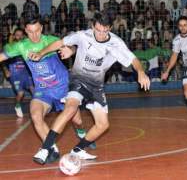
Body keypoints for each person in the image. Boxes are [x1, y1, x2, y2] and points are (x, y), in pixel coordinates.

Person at [30, 12, 150, 164]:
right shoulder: (83, 35)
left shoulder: (116, 42)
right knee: (71, 108)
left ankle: (78, 150)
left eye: (105, 31)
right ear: (93, 26)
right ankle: (45, 148)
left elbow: (133, 59)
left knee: (103, 125)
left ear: (110, 28)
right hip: (78, 79)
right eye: (98, 30)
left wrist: (140, 71)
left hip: (97, 86)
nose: (101, 34)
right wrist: (41, 53)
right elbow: (60, 42)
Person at [0, 15, 84, 163]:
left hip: (63, 88)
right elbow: (2, 56)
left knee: (77, 120)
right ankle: (52, 149)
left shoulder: (50, 40)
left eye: (37, 30)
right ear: (26, 30)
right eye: (31, 31)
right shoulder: (21, 46)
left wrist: (71, 50)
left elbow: (71, 45)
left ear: (42, 28)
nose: (34, 35)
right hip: (43, 90)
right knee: (35, 115)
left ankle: (82, 133)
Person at [2, 28, 34, 118]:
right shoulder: (9, 46)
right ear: (14, 36)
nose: (19, 36)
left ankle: (36, 109)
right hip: (15, 74)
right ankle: (17, 106)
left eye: (21, 35)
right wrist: (5, 70)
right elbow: (2, 60)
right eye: (17, 35)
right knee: (21, 94)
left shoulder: (26, 45)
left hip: (26, 73)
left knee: (34, 91)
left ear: (23, 35)